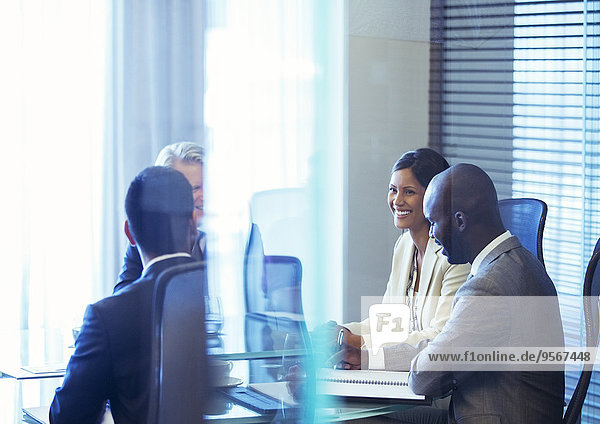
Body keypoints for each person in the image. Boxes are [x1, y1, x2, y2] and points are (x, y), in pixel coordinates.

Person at [407, 163, 564, 423]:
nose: (431, 234)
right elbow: (445, 345)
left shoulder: (489, 287)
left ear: (460, 220)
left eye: (433, 222)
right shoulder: (519, 262)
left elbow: (424, 379)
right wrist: (372, 357)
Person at [50, 166, 199, 424]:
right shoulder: (223, 297)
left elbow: (67, 417)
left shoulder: (107, 316)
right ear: (193, 224)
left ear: (129, 232)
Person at [332, 148, 470, 369]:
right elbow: (387, 323)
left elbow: (439, 337)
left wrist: (359, 343)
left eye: (409, 192)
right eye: (393, 190)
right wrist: (342, 332)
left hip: (432, 384)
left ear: (434, 196)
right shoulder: (404, 245)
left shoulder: (455, 257)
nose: (397, 201)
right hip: (396, 374)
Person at [114, 141, 205, 293]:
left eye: (207, 185)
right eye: (194, 188)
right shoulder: (148, 242)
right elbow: (122, 301)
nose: (205, 195)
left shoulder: (231, 237)